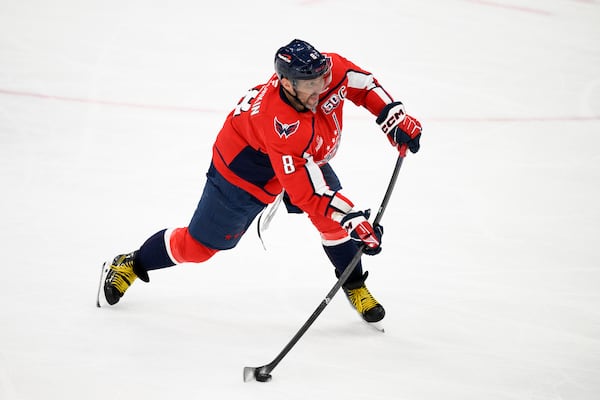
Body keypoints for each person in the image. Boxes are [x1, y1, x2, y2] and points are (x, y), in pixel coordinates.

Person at [99, 39, 422, 323]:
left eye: (322, 78)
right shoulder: (280, 122)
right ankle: (131, 262)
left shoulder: (325, 71)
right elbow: (308, 192)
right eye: (308, 84)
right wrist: (353, 218)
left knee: (333, 223)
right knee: (199, 247)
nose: (319, 88)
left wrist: (391, 114)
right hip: (245, 167)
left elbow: (362, 84)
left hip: (302, 156)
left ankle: (354, 286)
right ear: (285, 82)